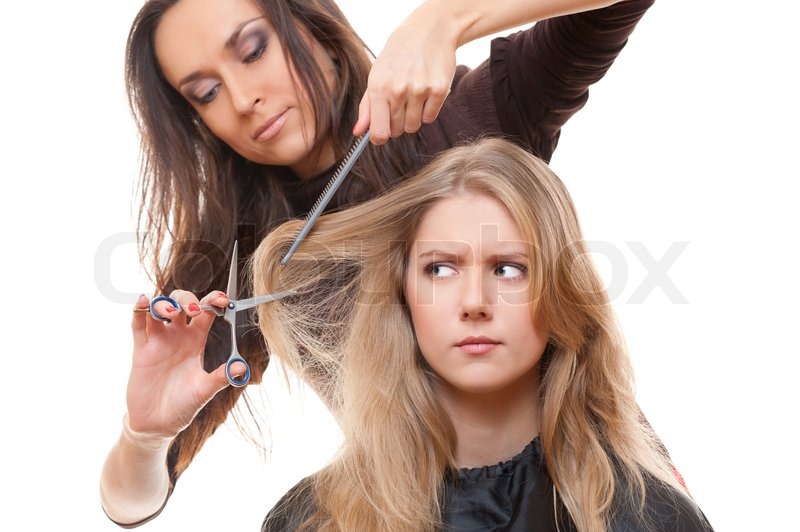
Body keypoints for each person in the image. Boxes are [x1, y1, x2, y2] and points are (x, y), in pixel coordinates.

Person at [100, 0, 657, 526]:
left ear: (313, 25)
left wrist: (444, 19)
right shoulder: (236, 261)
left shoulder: (464, 118)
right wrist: (145, 435)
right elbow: (131, 503)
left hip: (596, 502)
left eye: (253, 51)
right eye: (206, 92)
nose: (244, 97)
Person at [253, 138, 713, 531]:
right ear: (402, 294)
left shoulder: (650, 516)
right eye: (441, 268)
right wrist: (174, 428)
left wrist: (444, 27)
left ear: (560, 290)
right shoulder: (315, 519)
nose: (474, 302)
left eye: (509, 268)